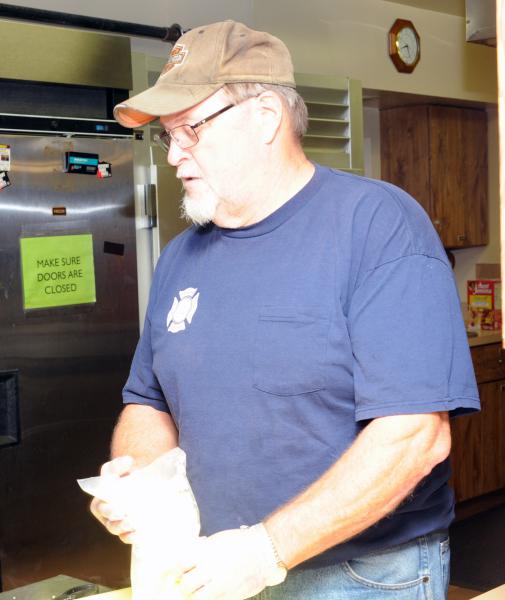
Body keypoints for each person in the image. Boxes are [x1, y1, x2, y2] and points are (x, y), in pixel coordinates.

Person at [91, 20, 479, 599]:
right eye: (166, 136)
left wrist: (266, 549)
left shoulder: (376, 226)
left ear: (266, 116)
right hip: (214, 566)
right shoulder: (180, 258)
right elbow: (148, 402)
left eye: (191, 130)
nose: (174, 155)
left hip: (358, 575)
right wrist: (143, 484)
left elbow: (415, 435)